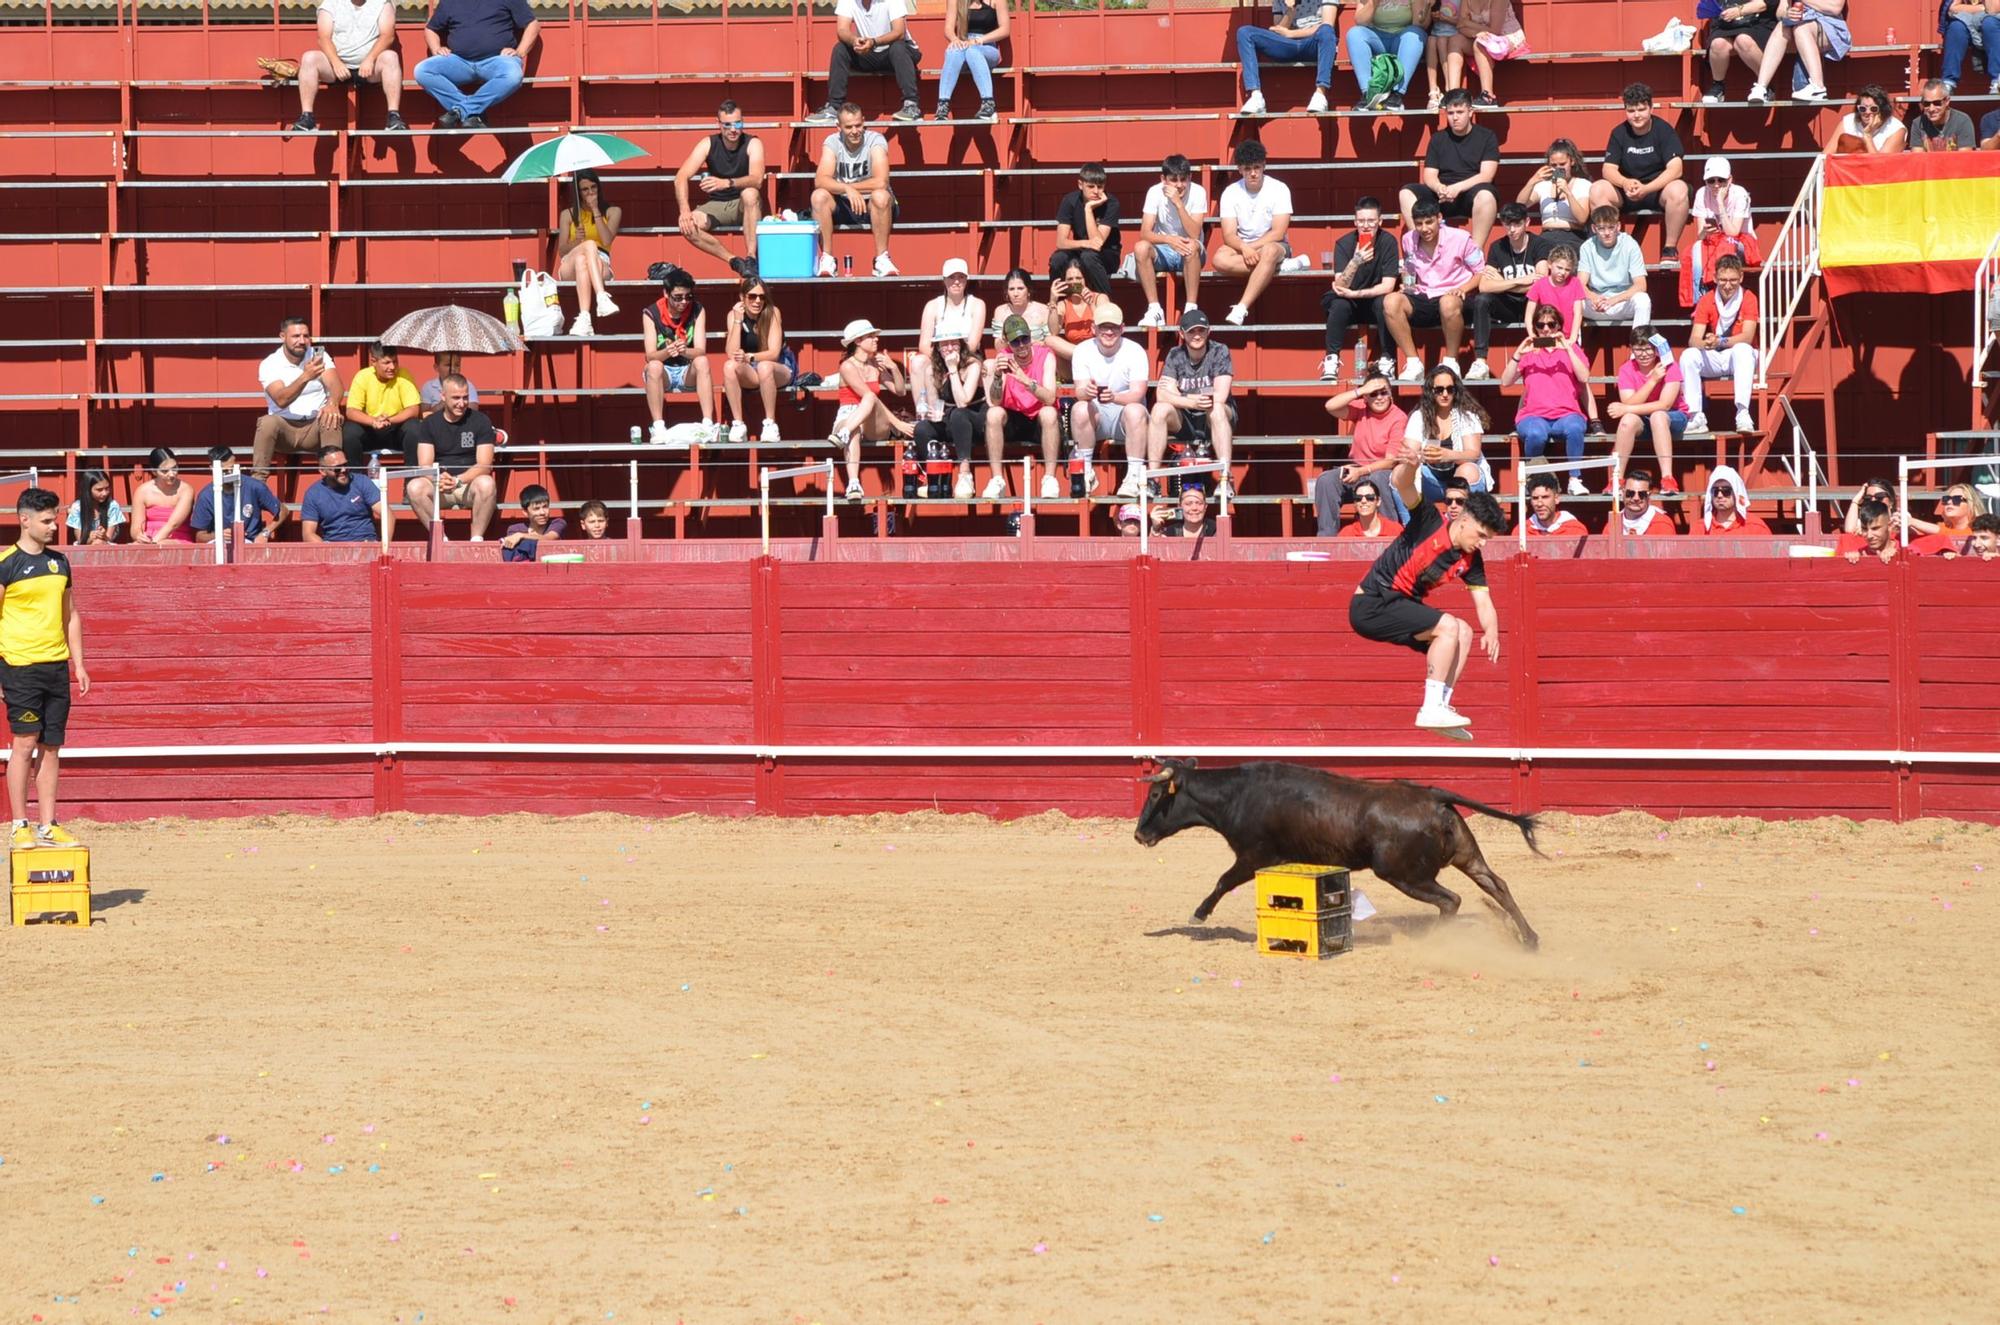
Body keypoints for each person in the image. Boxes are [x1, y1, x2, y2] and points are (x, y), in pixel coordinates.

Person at [1349, 445, 1507, 734]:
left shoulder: (1471, 559)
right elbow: (1402, 483)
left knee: (1464, 631)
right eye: (1482, 535)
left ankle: (1442, 706)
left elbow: (1483, 602)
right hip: (1372, 602)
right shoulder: (1429, 521)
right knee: (1448, 626)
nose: (1483, 543)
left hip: (1399, 607)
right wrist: (1410, 464)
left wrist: (1493, 631)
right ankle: (1431, 707)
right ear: (1466, 519)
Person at [1, 487, 89, 850]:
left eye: (56, 519)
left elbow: (71, 615)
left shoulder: (60, 563)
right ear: (24, 520)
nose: (54, 527)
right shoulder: (7, 563)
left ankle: (48, 824)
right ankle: (19, 823)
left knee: (51, 747)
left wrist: (79, 663)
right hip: (20, 664)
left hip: (55, 667)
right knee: (24, 743)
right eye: (47, 521)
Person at [1589, 83, 1689, 268]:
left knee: (1679, 189)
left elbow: (1676, 169)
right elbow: (1608, 169)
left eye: (1642, 109)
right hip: (1627, 191)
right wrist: (1625, 182)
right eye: (1631, 110)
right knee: (1597, 189)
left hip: (1657, 190)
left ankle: (1669, 249)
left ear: (1651, 108)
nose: (1636, 115)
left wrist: (1647, 188)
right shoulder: (1619, 133)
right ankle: (1610, 248)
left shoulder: (1664, 130)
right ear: (1625, 110)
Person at [1385, 196, 1485, 381]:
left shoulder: (1461, 238)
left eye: (1429, 222)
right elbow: (1411, 268)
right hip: (1423, 294)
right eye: (1419, 224)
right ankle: (1413, 362)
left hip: (1455, 294)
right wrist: (1407, 285)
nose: (1424, 229)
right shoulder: (1408, 240)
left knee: (1447, 302)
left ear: (1439, 218)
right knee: (1391, 301)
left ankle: (1451, 361)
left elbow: (1481, 272)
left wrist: (1463, 288)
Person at [1215, 139, 1309, 326]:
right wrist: (1244, 248)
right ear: (1240, 169)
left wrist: (1249, 248)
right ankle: (1278, 267)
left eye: (1257, 167)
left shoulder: (1279, 188)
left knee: (1269, 252)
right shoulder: (1230, 192)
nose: (1253, 173)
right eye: (1248, 168)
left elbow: (1278, 232)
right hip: (1243, 245)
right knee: (1218, 259)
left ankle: (1242, 307)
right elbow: (1229, 234)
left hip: (1273, 245)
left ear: (1264, 165)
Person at [1501, 309, 1595, 494]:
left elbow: (1584, 377)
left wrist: (1567, 348)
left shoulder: (1572, 349)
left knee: (1575, 428)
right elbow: (1505, 381)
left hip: (1566, 413)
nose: (1546, 329)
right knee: (1536, 433)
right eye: (1541, 325)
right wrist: (1519, 352)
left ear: (1559, 326)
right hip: (1533, 415)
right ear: (1535, 328)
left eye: (1551, 324)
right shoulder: (1529, 351)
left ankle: (1574, 479)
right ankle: (1535, 480)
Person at [1399, 89, 1501, 250]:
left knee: (1487, 195)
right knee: (1406, 193)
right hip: (1442, 194)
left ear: (1470, 112)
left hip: (1471, 193)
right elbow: (1429, 175)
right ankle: (1423, 248)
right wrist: (1440, 188)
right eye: (1450, 112)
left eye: (1460, 112)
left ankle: (1475, 252)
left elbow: (1486, 175)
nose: (1455, 117)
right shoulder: (1438, 138)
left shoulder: (1487, 136)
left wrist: (1457, 188)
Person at [1069, 300, 1152, 497]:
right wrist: (1087, 391)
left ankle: (1134, 476)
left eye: (1113, 327)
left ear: (1122, 328)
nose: (1108, 332)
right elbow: (1079, 391)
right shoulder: (1082, 350)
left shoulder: (1135, 351)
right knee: (1079, 408)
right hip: (1096, 415)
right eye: (1103, 327)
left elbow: (1138, 393)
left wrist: (1114, 397)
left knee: (1136, 410)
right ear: (1093, 328)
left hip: (1125, 415)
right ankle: (1086, 471)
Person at [1146, 309, 1234, 493]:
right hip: (1186, 417)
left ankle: (1226, 479)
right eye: (1191, 331)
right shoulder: (1175, 354)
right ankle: (1153, 480)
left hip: (1214, 417)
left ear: (1208, 331)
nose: (1197, 335)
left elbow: (1219, 396)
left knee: (1217, 408)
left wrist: (1180, 394)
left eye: (1201, 330)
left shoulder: (1219, 351)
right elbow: (1161, 395)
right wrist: (1192, 401)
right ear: (1182, 333)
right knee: (1159, 409)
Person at [1313, 369, 1412, 534]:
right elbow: (1330, 406)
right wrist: (1360, 391)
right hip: (1356, 467)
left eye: (1383, 393)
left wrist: (1361, 471)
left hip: (1382, 470)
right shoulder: (1361, 407)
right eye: (1373, 393)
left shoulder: (1398, 417)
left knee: (1379, 478)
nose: (1379, 397)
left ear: (1391, 395)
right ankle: (1327, 539)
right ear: (1366, 397)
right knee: (1326, 480)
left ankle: (1390, 536)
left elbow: (1391, 461)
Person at [414, 0, 538, 130]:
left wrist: (519, 52)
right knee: (423, 70)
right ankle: (474, 111)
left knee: (513, 75)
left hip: (497, 60)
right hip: (460, 61)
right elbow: (431, 29)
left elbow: (532, 25)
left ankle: (462, 110)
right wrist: (436, 49)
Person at [673, 102, 765, 277]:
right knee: (687, 225)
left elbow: (757, 179)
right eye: (727, 124)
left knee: (750, 193)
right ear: (718, 124)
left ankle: (751, 258)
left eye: (738, 123)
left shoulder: (753, 143)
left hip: (743, 204)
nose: (733, 129)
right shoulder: (708, 143)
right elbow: (681, 177)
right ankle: (734, 261)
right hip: (717, 204)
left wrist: (727, 183)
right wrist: (684, 211)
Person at [406, 373, 499, 540]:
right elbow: (424, 465)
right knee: (414, 487)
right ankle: (440, 539)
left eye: (465, 397)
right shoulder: (429, 423)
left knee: (487, 483)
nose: (461, 403)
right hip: (439, 485)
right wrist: (440, 479)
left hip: (469, 485)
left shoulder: (481, 421)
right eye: (456, 397)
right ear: (443, 396)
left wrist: (458, 480)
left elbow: (485, 465)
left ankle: (476, 541)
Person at [810, 104, 899, 278]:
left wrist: (852, 188)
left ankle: (881, 258)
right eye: (848, 127)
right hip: (844, 202)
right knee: (818, 196)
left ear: (864, 122)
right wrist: (846, 188)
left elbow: (881, 181)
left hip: (874, 204)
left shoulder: (876, 140)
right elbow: (820, 180)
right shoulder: (832, 142)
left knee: (881, 195)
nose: (854, 131)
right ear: (839, 127)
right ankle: (827, 258)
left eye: (858, 125)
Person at [830, 318, 915, 499]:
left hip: (872, 420)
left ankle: (844, 433)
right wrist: (897, 423)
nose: (876, 339)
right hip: (849, 414)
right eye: (871, 336)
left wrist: (893, 368)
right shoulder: (847, 366)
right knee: (853, 426)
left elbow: (899, 391)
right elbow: (869, 395)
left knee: (868, 398)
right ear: (858, 341)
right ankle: (854, 484)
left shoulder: (875, 365)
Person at [292, 0, 405, 133]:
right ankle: (307, 118)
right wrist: (336, 62)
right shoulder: (330, 4)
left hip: (371, 67)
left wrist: (370, 59)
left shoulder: (382, 3)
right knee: (309, 57)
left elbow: (387, 36)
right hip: (336, 67)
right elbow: (323, 38)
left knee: (390, 57)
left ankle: (393, 116)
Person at [1467, 201, 1551, 379]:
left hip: (1533, 303)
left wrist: (1503, 282)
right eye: (1507, 224)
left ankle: (1547, 353)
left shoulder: (1540, 244)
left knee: (1546, 295)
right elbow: (1484, 286)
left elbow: (1541, 281)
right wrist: (1521, 281)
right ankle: (1480, 361)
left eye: (1517, 224)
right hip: (1506, 305)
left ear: (1527, 222)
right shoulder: (1497, 247)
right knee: (1482, 300)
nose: (1512, 229)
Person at [983, 313, 1063, 500]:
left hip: (1038, 418)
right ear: (1007, 343)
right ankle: (997, 479)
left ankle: (1050, 478)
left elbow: (1050, 398)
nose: (1021, 346)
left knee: (1050, 413)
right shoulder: (1003, 357)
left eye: (1024, 339)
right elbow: (995, 401)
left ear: (1030, 336)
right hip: (1015, 417)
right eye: (1015, 342)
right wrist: (996, 377)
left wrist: (1027, 381)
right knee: (993, 414)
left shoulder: (1045, 356)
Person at [1319, 196, 1401, 380]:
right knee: (1338, 304)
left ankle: (1387, 359)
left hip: (1374, 301)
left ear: (1380, 221)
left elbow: (1388, 286)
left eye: (1371, 221)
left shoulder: (1388, 242)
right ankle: (1331, 359)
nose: (1366, 225)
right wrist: (1356, 261)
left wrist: (1357, 293)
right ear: (1355, 221)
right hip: (1349, 302)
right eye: (1361, 221)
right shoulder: (1344, 243)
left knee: (1386, 303)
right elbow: (1340, 286)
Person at [253, 316, 342, 481]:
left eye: (306, 336)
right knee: (266, 422)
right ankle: (258, 482)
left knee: (332, 418)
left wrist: (333, 403)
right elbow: (281, 399)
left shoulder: (318, 356)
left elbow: (336, 386)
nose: (302, 341)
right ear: (282, 337)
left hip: (315, 426)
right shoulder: (270, 363)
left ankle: (334, 479)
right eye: (296, 336)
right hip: (284, 428)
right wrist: (305, 376)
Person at [1679, 253, 1759, 435]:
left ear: (1741, 277)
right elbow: (1694, 339)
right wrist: (1706, 343)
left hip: (1738, 356)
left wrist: (1720, 341)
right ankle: (1695, 415)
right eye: (1723, 280)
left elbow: (1747, 336)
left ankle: (1743, 413)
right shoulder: (1707, 300)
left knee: (1743, 350)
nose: (1728, 285)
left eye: (1733, 280)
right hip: (1715, 354)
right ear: (1715, 278)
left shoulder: (1749, 298)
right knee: (1688, 355)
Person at [809, 0, 922, 125]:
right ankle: (834, 108)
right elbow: (842, 30)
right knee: (840, 48)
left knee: (898, 47)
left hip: (898, 53)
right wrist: (854, 41)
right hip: (868, 53)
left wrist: (874, 42)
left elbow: (899, 32)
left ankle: (911, 105)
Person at [641, 266, 715, 447]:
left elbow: (700, 350)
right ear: (666, 293)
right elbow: (650, 356)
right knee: (654, 367)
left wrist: (683, 351)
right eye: (678, 297)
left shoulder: (697, 310)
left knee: (702, 362)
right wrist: (668, 351)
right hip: (662, 371)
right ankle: (658, 426)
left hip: (686, 370)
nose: (683, 302)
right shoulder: (651, 313)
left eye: (688, 297)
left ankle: (708, 423)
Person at [909, 259, 988, 422]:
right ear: (944, 280)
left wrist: (955, 360)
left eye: (961, 277)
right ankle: (925, 415)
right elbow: (923, 345)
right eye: (952, 277)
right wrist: (944, 358)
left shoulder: (977, 304)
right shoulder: (932, 306)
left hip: (967, 356)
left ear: (967, 280)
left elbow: (973, 344)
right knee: (917, 362)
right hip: (941, 355)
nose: (957, 281)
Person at [1136, 155, 1209, 329]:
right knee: (1141, 248)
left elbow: (1195, 233)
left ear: (1190, 178)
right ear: (1163, 180)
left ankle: (1191, 308)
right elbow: (1144, 233)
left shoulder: (1198, 192)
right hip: (1165, 248)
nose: (1178, 185)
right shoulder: (1154, 192)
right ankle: (1154, 309)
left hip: (1192, 250)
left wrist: (1178, 203)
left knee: (1191, 246)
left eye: (1183, 179)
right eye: (1173, 180)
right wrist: (1169, 240)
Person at [1608, 331, 1685, 494]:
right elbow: (1629, 401)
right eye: (1638, 349)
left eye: (1648, 349)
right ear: (1631, 349)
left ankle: (1667, 478)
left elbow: (1665, 404)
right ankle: (1617, 479)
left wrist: (1625, 408)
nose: (1643, 354)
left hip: (1674, 416)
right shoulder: (1626, 369)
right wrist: (1653, 381)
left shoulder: (1669, 366)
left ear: (1656, 349)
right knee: (1627, 420)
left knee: (1657, 416)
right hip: (1643, 419)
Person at [913, 329, 986, 499]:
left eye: (954, 343)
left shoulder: (973, 364)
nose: (950, 348)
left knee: (959, 414)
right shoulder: (932, 370)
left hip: (973, 417)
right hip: (949, 415)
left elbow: (963, 401)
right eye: (944, 344)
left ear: (961, 345)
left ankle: (965, 475)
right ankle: (933, 476)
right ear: (938, 348)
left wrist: (953, 370)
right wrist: (932, 414)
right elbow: (933, 402)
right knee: (922, 428)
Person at [721, 276, 795, 444]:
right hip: (751, 370)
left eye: (762, 297)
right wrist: (738, 321)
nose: (757, 301)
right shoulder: (733, 315)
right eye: (752, 296)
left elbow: (774, 353)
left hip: (778, 367)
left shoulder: (773, 312)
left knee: (765, 367)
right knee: (729, 366)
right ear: (742, 297)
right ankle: (738, 424)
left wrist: (750, 357)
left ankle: (770, 423)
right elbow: (731, 353)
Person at [1237, 0, 1341, 116]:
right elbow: (1278, 30)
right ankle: (1256, 96)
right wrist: (1290, 10)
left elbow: (1328, 24)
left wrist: (1291, 34)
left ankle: (1320, 93)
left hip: (1314, 44)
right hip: (1287, 45)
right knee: (1245, 32)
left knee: (1327, 31)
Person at [1405, 361, 1491, 500]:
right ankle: (1411, 521)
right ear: (1430, 391)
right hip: (1431, 480)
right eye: (1439, 390)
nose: (1445, 394)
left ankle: (1471, 519)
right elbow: (1409, 452)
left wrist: (1448, 455)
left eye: (1450, 389)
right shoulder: (1419, 416)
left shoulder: (1467, 416)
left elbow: (1473, 454)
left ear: (1455, 391)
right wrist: (1422, 456)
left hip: (1462, 480)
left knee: (1468, 469)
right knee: (1400, 474)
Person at [553, 171, 619, 338]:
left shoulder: (613, 211)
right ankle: (601, 297)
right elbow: (562, 250)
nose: (590, 192)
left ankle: (584, 318)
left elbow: (606, 240)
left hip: (600, 261)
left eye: (593, 187)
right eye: (584, 189)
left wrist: (595, 209)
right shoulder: (568, 214)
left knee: (584, 260)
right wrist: (577, 241)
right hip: (570, 263)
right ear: (578, 192)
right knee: (587, 246)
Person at [1747, 0, 1849, 104]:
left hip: (1827, 25)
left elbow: (1835, 8)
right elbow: (1780, 12)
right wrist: (1787, 13)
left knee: (1801, 28)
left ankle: (1818, 87)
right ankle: (1761, 87)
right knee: (1781, 26)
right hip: (1797, 25)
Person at [343, 341, 421, 474]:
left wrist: (389, 420)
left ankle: (412, 484)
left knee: (414, 427)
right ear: (374, 361)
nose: (392, 367)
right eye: (387, 363)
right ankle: (357, 483)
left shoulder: (404, 375)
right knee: (350, 431)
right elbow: (351, 411)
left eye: (395, 362)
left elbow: (413, 409)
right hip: (371, 429)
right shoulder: (363, 376)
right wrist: (373, 421)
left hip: (396, 428)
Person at [1050, 162, 1123, 296]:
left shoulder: (1111, 203)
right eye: (1091, 186)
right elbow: (1061, 242)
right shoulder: (1070, 201)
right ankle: (1061, 304)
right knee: (1058, 259)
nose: (1096, 191)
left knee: (1088, 257)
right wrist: (1085, 243)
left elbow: (1097, 243)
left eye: (1100, 187)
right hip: (1082, 250)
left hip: (1108, 254)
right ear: (1080, 185)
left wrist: (1088, 209)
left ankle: (1104, 304)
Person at [191, 445, 284, 543]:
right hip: (220, 545)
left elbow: (282, 511)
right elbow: (200, 537)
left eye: (232, 469)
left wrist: (265, 533)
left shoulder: (254, 486)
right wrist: (219, 535)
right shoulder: (206, 495)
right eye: (224, 471)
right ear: (212, 469)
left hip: (249, 542)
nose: (229, 473)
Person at [1346, 0, 1428, 112]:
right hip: (1377, 38)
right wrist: (1373, 3)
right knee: (1354, 33)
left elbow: (1420, 24)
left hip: (1403, 38)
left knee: (1415, 33)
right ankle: (1369, 94)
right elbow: (1360, 21)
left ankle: (1396, 95)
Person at [1579, 206, 1651, 328]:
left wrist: (1614, 300)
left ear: (1618, 226)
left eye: (1611, 228)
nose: (1606, 233)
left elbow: (1641, 285)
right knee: (1572, 300)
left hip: (1622, 302)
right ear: (1594, 228)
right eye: (1601, 228)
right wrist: (1594, 297)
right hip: (1596, 303)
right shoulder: (1587, 247)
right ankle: (1571, 345)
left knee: (1643, 300)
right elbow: (1580, 283)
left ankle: (1639, 344)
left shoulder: (1630, 244)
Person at [937, 0, 1008, 121]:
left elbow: (1005, 30)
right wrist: (954, 40)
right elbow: (948, 28)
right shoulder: (956, 1)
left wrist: (979, 40)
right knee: (952, 52)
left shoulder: (997, 1)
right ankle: (943, 104)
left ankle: (988, 104)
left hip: (987, 46)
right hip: (964, 42)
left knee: (972, 51)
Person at [299, 447, 384, 543]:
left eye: (345, 465)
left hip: (366, 542)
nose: (343, 470)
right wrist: (327, 550)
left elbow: (387, 515)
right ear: (323, 471)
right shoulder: (313, 494)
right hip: (333, 546)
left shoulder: (362, 482)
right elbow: (308, 534)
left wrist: (383, 546)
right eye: (337, 468)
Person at [1701, 0, 1779, 102]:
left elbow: (1766, 3)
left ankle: (1765, 85)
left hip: (1758, 23)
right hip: (1726, 24)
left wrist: (1739, 11)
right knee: (1718, 44)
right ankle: (1718, 86)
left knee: (1743, 41)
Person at [1452, 0, 1518, 106]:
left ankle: (1488, 96)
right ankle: (1453, 94)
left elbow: (1495, 30)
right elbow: (1460, 26)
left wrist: (1468, 23)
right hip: (1481, 36)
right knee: (1455, 41)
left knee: (1479, 44)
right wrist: (1475, 34)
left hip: (1505, 37)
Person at [1520, 138, 1592, 232]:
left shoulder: (1582, 184)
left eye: (1562, 164)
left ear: (1572, 161)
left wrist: (1567, 192)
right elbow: (1520, 205)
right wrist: (1532, 181)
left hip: (1571, 234)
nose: (1558, 169)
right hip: (1547, 234)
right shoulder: (1544, 185)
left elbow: (1582, 219)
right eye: (1554, 165)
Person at [129, 447, 196, 547]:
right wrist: (139, 536)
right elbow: (136, 527)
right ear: (154, 472)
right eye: (165, 471)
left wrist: (154, 542)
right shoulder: (142, 491)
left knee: (162, 545)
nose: (172, 474)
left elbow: (173, 524)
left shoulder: (186, 490)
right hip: (149, 539)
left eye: (174, 468)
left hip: (177, 538)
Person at [1523, 241, 1586, 342]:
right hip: (1546, 336)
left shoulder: (1575, 283)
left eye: (1567, 269)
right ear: (1549, 264)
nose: (1562, 272)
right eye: (1559, 268)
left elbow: (1578, 313)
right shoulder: (1539, 284)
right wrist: (1532, 335)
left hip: (1568, 337)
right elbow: (1529, 315)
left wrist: (1573, 338)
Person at [1940, 0, 2000, 97]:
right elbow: (1953, 8)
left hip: (1994, 20)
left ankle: (1998, 79)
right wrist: (1981, 8)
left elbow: (1993, 9)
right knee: (1956, 27)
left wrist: (1969, 9)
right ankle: (1948, 82)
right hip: (1970, 19)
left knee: (1989, 24)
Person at [1693, 465, 1772, 534]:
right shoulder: (1700, 529)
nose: (1720, 495)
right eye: (1715, 491)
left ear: (1736, 492)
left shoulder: (1756, 528)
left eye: (1726, 491)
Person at [1046, 267, 1099, 371]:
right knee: (1049, 340)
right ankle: (1086, 359)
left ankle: (1090, 359)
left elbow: (1105, 326)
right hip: (1076, 357)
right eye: (1070, 279)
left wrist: (1091, 305)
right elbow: (1053, 331)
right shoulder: (1063, 305)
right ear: (1065, 283)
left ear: (1085, 280)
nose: (1074, 282)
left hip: (1098, 350)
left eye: (1078, 278)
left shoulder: (1099, 298)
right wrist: (1053, 301)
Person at [1827, 84, 1906, 153]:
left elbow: (1881, 165)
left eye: (1873, 109)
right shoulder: (1848, 122)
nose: (1867, 112)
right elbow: (1826, 156)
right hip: (1849, 168)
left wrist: (1868, 136)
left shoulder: (1896, 129)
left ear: (1882, 110)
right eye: (1863, 109)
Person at [1906, 78, 1977, 150]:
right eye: (1926, 103)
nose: (1931, 109)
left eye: (1937, 103)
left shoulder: (1962, 121)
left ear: (1947, 101)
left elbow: (1964, 157)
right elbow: (1917, 158)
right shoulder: (1918, 123)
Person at [499, 484, 564, 561]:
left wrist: (521, 536)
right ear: (525, 512)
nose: (542, 512)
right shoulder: (515, 529)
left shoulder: (557, 523)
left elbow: (549, 538)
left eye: (545, 507)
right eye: (536, 509)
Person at [988, 268, 1051, 347]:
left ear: (1029, 291)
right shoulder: (1000, 311)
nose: (1015, 293)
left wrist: (1031, 343)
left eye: (1020, 288)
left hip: (1037, 354)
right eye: (1011, 289)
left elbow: (1050, 343)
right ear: (1006, 292)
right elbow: (999, 348)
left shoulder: (1043, 310)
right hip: (1010, 356)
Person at [64, 470, 124, 546]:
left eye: (107, 488)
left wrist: (103, 535)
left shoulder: (112, 505)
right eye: (99, 490)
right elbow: (80, 539)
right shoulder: (77, 507)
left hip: (106, 545)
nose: (104, 493)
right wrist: (89, 538)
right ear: (88, 490)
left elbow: (109, 538)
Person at [1613, 467, 1678, 536]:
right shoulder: (1613, 524)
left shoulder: (1662, 524)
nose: (1636, 498)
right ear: (1623, 493)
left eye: (1642, 494)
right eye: (1630, 493)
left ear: (1648, 496)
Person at [1520, 471, 1586, 536]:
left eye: (1545, 497)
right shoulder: (1521, 532)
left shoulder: (1576, 531)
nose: (1539, 504)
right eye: (1535, 498)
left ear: (1556, 499)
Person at [1837, 497, 1898, 562]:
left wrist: (1898, 556)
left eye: (1875, 528)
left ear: (1889, 526)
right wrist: (1851, 564)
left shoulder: (1904, 549)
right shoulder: (1859, 555)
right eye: (1865, 529)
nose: (1869, 536)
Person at [419, 351, 479, 416]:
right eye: (448, 365)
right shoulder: (429, 387)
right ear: (436, 367)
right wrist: (443, 403)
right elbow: (424, 415)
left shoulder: (467, 385)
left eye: (457, 365)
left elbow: (473, 412)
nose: (453, 369)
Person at [1338, 480, 1404, 538]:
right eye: (1358, 498)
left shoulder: (1395, 530)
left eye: (1370, 497)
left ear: (1378, 501)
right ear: (1355, 503)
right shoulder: (1346, 534)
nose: (1363, 501)